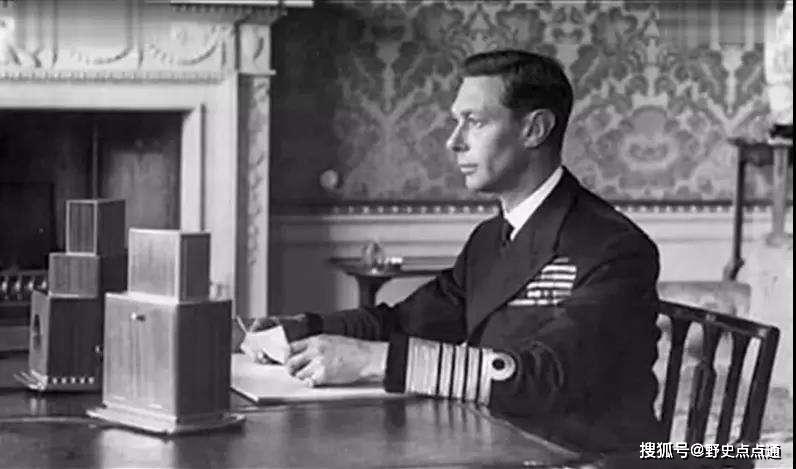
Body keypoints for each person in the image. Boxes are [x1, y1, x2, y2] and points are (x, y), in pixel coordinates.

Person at [250, 49, 663, 452]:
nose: (453, 141)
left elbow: (542, 377)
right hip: (502, 445)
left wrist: (376, 360)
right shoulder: (490, 238)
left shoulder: (613, 247)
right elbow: (408, 320)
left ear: (535, 129)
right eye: (456, 121)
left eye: (475, 122)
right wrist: (298, 330)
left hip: (590, 457)